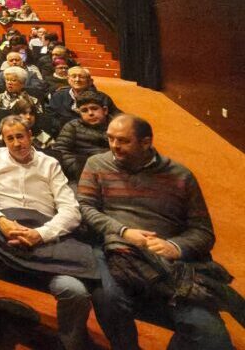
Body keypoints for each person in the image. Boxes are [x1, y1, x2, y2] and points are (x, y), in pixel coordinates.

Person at [79, 115, 236, 350]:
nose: (114, 146)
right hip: (118, 252)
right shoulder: (97, 164)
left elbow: (203, 231)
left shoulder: (180, 176)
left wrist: (174, 247)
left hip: (168, 263)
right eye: (110, 138)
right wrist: (123, 231)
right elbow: (85, 207)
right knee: (108, 298)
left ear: (146, 142)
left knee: (212, 337)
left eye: (123, 140)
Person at [0, 115, 93, 349]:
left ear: (30, 136)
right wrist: (0, 219)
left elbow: (71, 210)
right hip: (3, 233)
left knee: (75, 291)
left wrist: (41, 233)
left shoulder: (49, 164)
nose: (16, 143)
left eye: (20, 136)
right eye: (10, 138)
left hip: (43, 235)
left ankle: (69, 344)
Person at [52, 91, 111, 181]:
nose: (90, 113)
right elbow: (60, 152)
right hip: (83, 174)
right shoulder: (73, 126)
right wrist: (81, 168)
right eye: (84, 110)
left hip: (114, 170)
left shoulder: (118, 125)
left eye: (94, 108)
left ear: (105, 110)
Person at [47, 66, 117, 132]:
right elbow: (51, 117)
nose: (77, 80)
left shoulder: (102, 97)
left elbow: (116, 116)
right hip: (65, 132)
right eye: (74, 76)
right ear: (68, 80)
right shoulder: (58, 96)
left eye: (82, 77)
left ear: (90, 81)